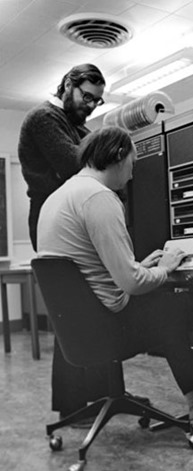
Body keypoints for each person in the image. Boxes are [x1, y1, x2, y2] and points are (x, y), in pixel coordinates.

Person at [36, 126, 193, 438]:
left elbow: (91, 270)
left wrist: (141, 266)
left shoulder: (60, 197)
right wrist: (163, 269)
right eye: (133, 164)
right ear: (118, 156)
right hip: (112, 324)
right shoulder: (99, 198)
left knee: (169, 310)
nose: (131, 175)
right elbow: (133, 284)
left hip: (84, 329)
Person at [17, 64, 109, 421]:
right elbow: (75, 164)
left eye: (97, 102)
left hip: (73, 220)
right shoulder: (44, 118)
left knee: (95, 305)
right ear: (68, 85)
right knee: (71, 313)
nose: (90, 106)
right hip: (52, 220)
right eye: (86, 96)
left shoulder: (76, 126)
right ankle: (72, 405)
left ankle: (100, 394)